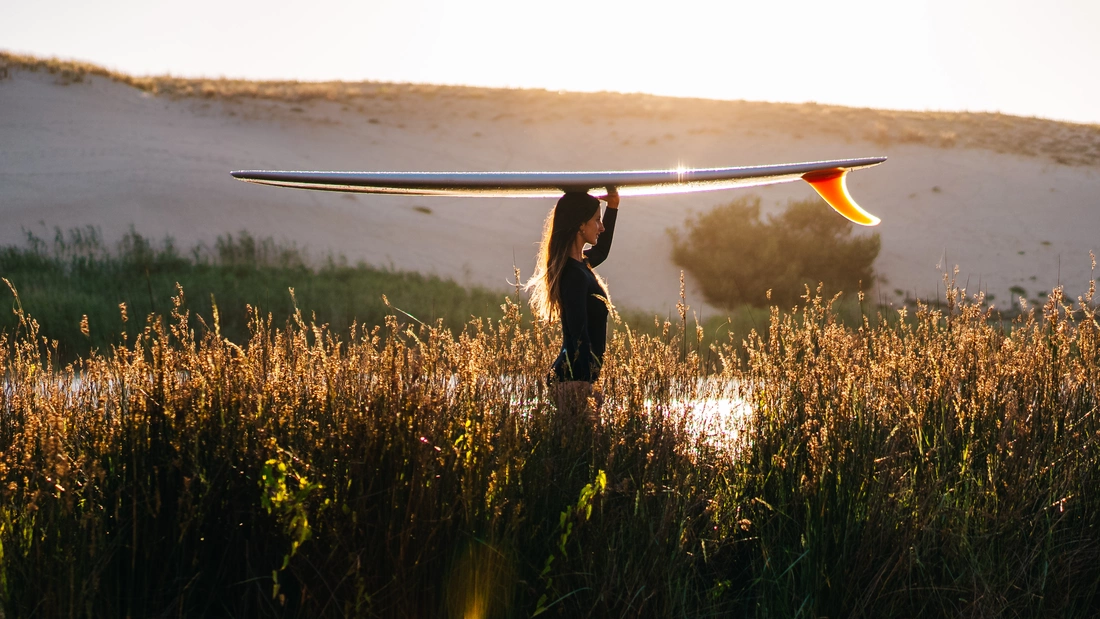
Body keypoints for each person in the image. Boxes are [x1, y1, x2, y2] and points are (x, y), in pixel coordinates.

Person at [526, 188, 620, 408]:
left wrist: (613, 206)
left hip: (577, 379)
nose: (601, 227)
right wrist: (586, 385)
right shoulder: (573, 275)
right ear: (580, 225)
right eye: (597, 220)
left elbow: (602, 251)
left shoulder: (581, 264)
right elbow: (579, 335)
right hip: (572, 381)